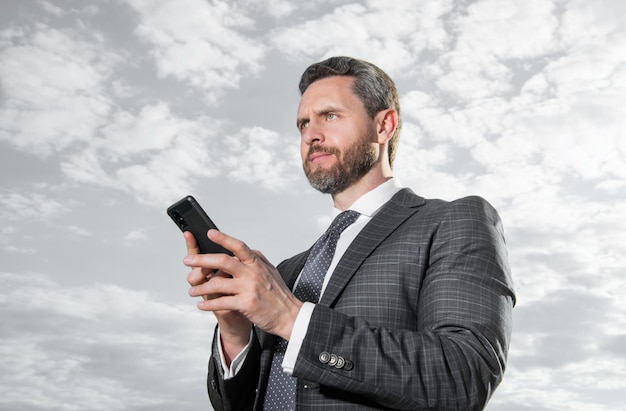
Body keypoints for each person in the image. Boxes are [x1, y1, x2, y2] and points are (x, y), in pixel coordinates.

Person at [182, 56, 515, 410]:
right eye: (303, 124)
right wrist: (236, 333)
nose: (311, 134)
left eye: (330, 115)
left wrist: (291, 319)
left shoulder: (452, 221)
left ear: (384, 126)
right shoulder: (287, 272)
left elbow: (463, 376)